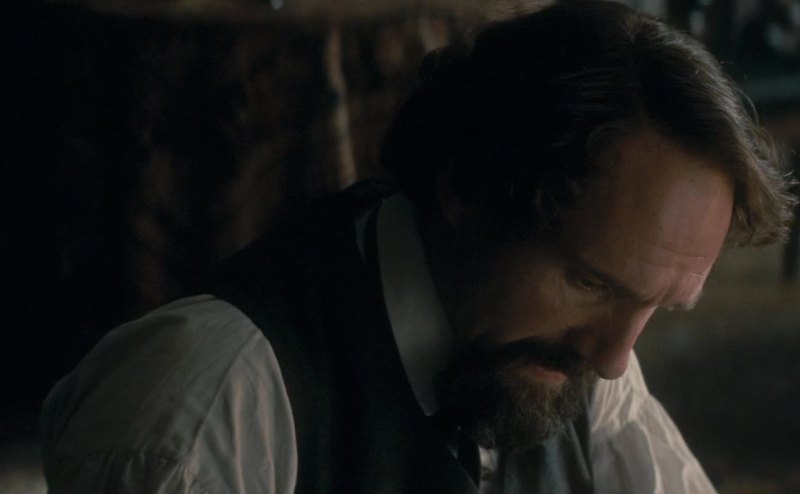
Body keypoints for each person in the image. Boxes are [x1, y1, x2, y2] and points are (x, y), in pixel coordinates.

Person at [40, 1, 796, 493]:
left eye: (656, 306)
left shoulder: (580, 363)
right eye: (589, 281)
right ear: (467, 186)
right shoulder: (206, 408)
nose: (614, 359)